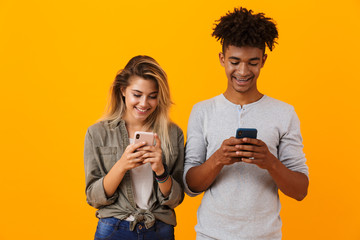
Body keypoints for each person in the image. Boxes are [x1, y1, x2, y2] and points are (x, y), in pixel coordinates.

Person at [184, 7, 309, 240]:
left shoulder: (284, 113)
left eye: (252, 62)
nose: (242, 71)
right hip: (210, 235)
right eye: (234, 61)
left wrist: (270, 161)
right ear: (222, 59)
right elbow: (190, 186)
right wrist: (218, 159)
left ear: (263, 60)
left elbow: (300, 190)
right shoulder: (202, 111)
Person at [84, 55, 184, 240]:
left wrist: (160, 170)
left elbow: (175, 198)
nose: (144, 103)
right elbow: (94, 197)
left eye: (152, 96)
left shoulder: (172, 134)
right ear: (123, 90)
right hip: (114, 227)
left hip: (159, 228)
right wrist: (121, 165)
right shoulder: (97, 133)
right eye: (137, 95)